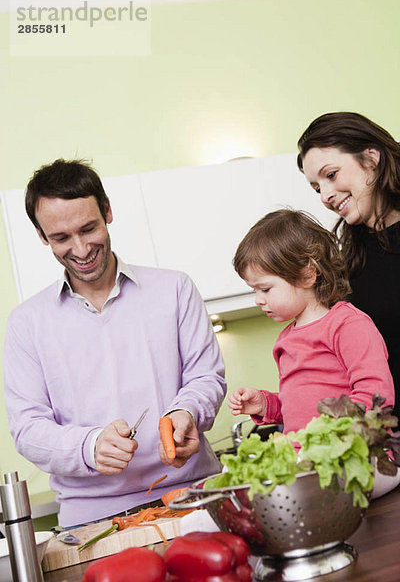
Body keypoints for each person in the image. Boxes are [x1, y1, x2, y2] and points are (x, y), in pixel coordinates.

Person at [3, 158, 226, 528]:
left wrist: (187, 413)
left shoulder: (174, 289)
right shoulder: (27, 323)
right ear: (43, 237)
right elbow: (27, 429)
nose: (80, 248)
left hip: (193, 493)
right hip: (92, 517)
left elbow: (206, 378)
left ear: (107, 211)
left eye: (88, 228)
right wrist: (89, 447)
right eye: (60, 238)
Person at [227, 209, 394, 437]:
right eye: (254, 290)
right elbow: (300, 412)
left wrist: (334, 438)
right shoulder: (287, 338)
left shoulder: (348, 325)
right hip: (307, 459)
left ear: (307, 274)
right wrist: (266, 404)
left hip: (349, 457)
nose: (258, 299)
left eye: (265, 289)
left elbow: (375, 395)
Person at [297, 111, 400, 423]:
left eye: (331, 175)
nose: (325, 196)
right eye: (317, 188)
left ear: (371, 159)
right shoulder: (346, 262)